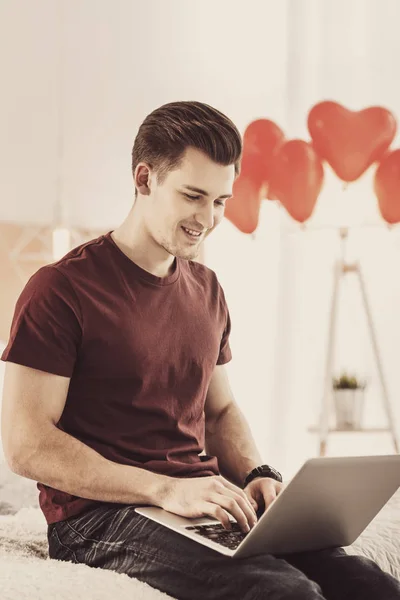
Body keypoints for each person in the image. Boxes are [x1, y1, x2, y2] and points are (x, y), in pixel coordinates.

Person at [1, 100, 399, 600]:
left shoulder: (206, 289)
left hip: (197, 500)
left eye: (220, 201)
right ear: (144, 179)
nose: (208, 219)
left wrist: (256, 474)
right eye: (193, 196)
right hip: (99, 517)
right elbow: (26, 443)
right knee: (285, 593)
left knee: (369, 584)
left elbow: (221, 409)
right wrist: (164, 488)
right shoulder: (59, 290)